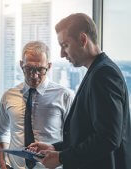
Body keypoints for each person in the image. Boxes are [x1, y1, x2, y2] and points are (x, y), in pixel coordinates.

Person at [28, 13, 131, 169]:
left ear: (83, 40)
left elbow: (108, 138)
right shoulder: (96, 71)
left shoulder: (103, 74)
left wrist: (62, 157)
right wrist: (55, 148)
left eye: (65, 45)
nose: (62, 54)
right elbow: (88, 134)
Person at [0, 41, 74, 169]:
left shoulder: (64, 96)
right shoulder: (9, 96)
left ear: (49, 66)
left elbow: (73, 138)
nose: (34, 75)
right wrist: (3, 164)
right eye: (29, 69)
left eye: (40, 69)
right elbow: (1, 131)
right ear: (21, 65)